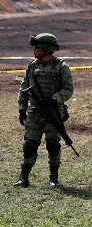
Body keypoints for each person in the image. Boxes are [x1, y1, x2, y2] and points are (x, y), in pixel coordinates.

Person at [15, 33, 73, 189]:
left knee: (53, 145)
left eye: (37, 47)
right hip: (34, 112)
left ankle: (53, 178)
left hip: (53, 112)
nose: (34, 50)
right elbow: (23, 88)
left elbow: (68, 90)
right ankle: (23, 178)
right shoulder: (32, 66)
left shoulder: (61, 67)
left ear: (47, 49)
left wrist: (53, 98)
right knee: (29, 145)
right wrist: (22, 108)